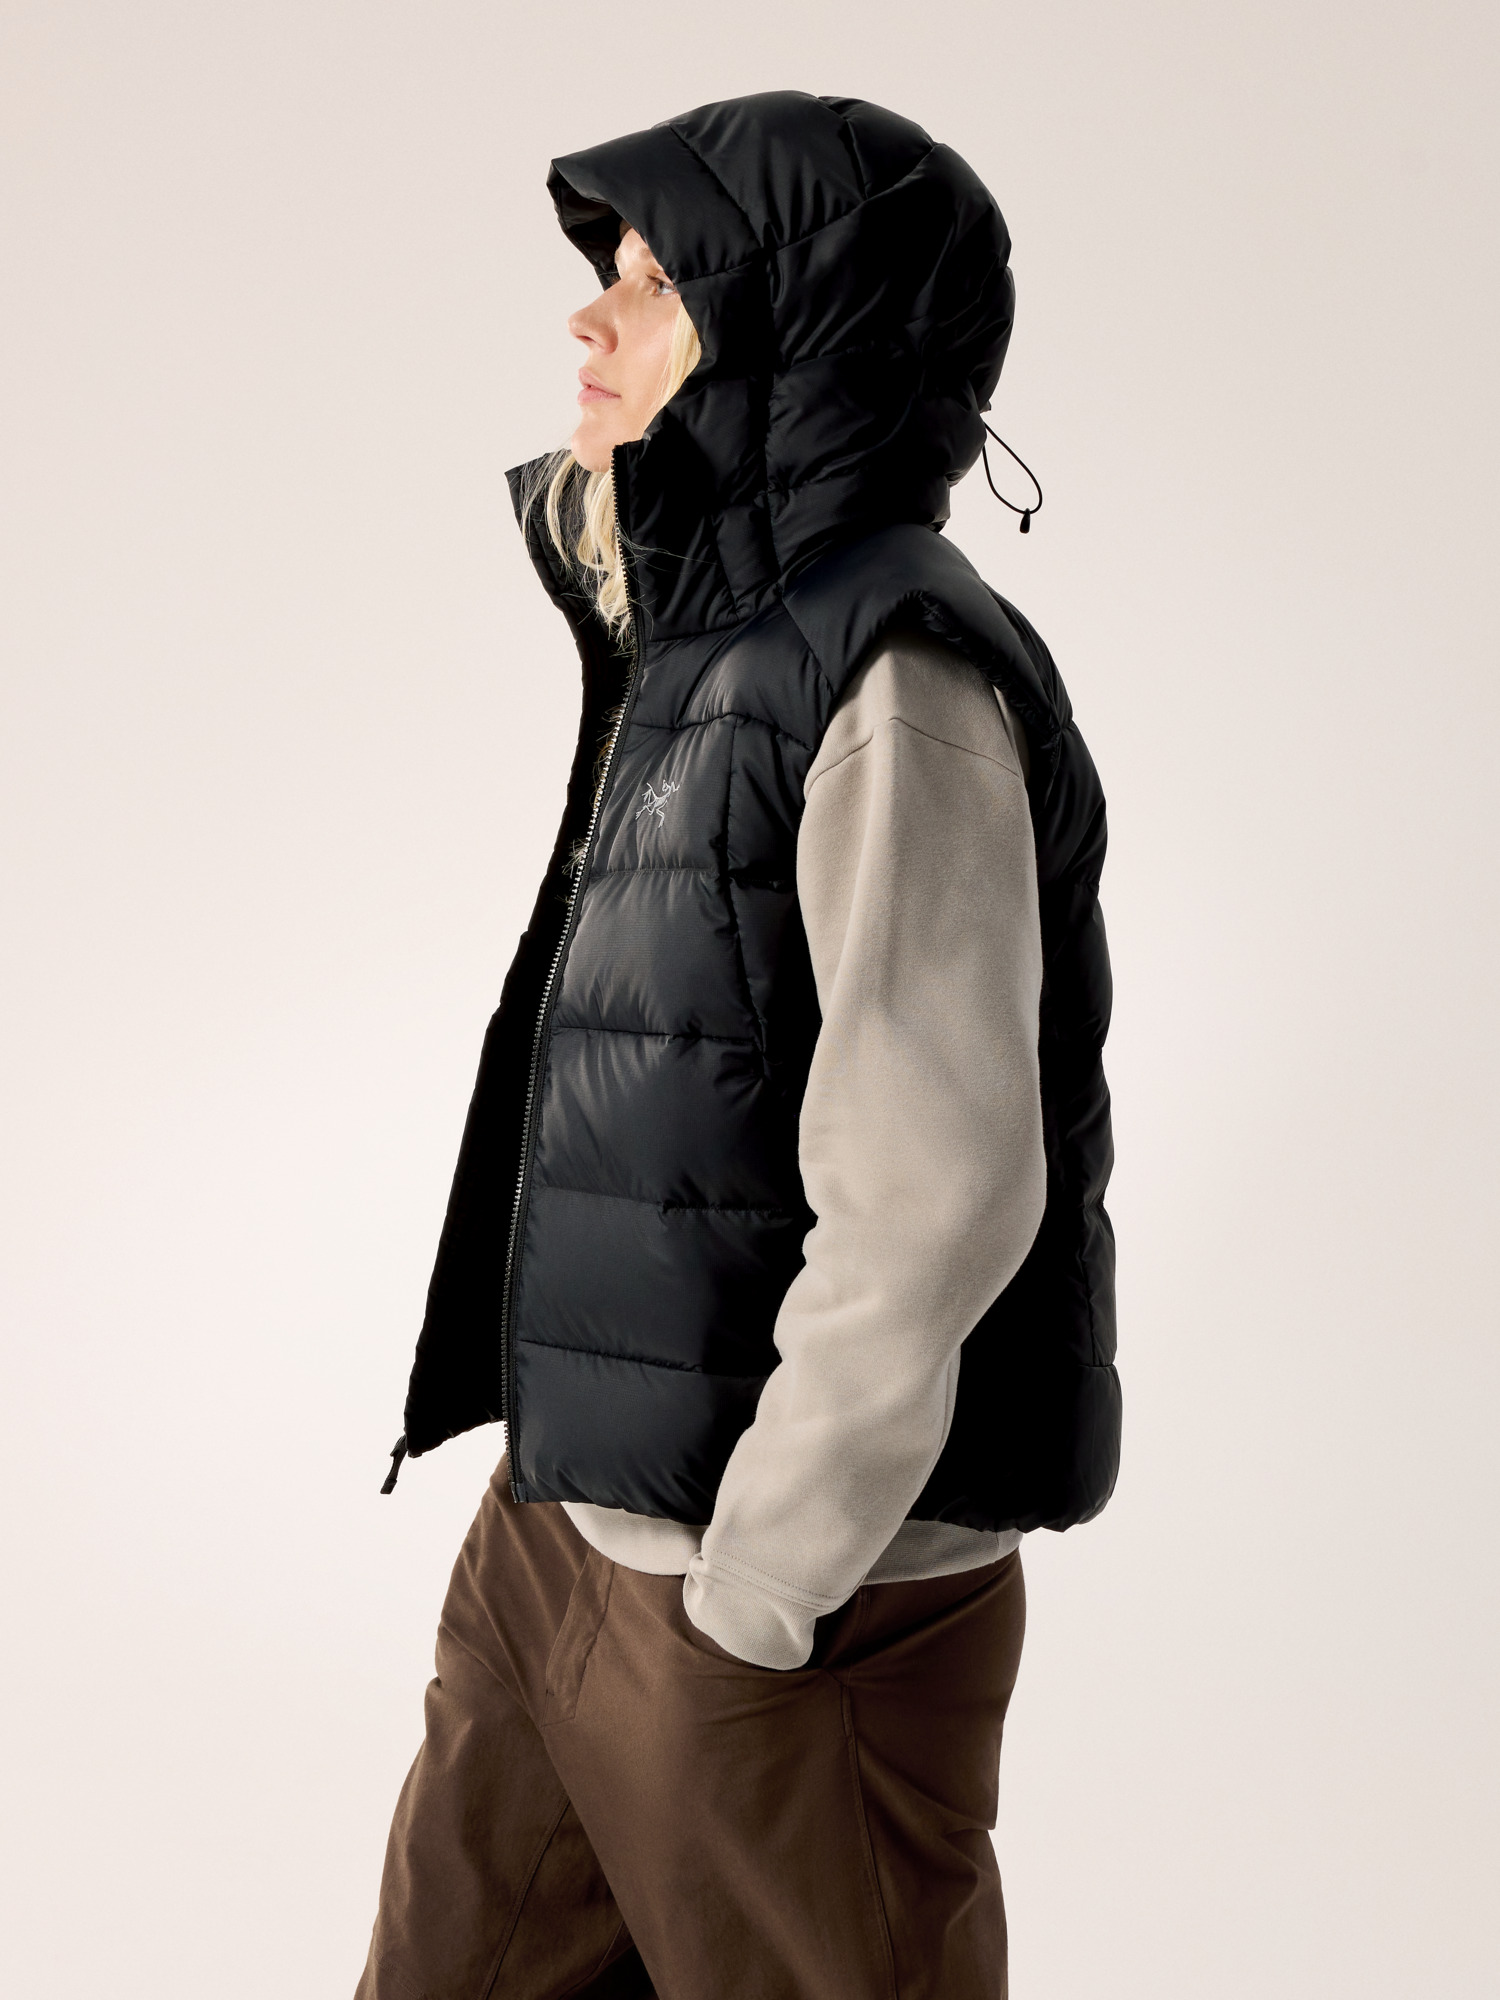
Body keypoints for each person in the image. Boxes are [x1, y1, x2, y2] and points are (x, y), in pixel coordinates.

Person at [356, 90, 1118, 2000]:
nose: (589, 318)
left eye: (654, 281)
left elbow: (938, 1198)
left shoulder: (893, 675)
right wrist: (556, 1510)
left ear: (796, 334)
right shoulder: (708, 647)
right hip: (564, 1536)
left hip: (790, 1610)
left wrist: (762, 1589)